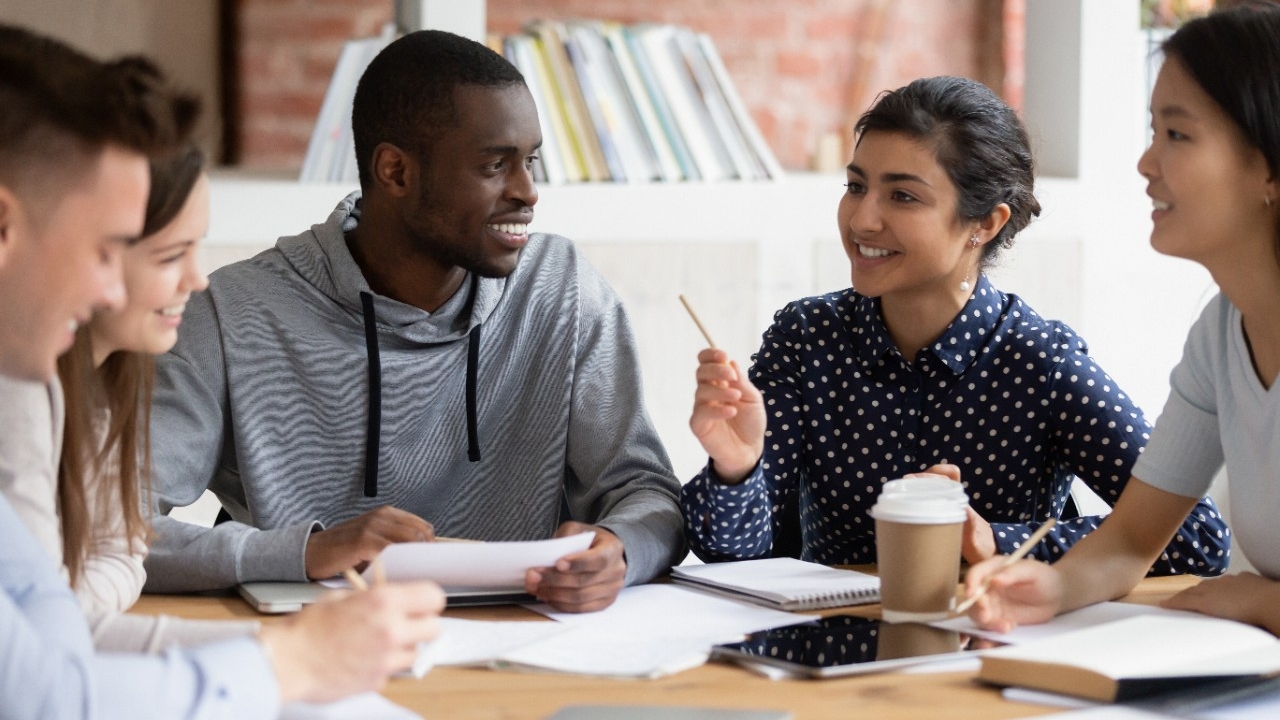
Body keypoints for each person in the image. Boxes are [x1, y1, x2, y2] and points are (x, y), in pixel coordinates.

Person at [142, 29, 685, 613]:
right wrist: (304, 552)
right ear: (396, 172)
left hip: (529, 645)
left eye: (530, 161)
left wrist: (619, 550)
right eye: (495, 165)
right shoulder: (232, 312)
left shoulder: (563, 290)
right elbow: (111, 528)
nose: (528, 191)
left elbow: (646, 493)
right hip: (324, 653)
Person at [0, 24, 442, 719]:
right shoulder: (23, 390)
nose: (112, 291)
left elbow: (54, 635)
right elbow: (44, 693)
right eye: (106, 248)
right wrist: (284, 661)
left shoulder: (41, 384)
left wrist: (292, 657)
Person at [681, 75, 1228, 575]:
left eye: (902, 196)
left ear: (985, 223)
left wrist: (1001, 541)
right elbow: (732, 554)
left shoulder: (1041, 361)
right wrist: (735, 468)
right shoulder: (807, 338)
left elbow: (1199, 538)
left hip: (985, 652)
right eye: (855, 187)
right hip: (825, 657)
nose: (862, 219)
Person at [967, 5, 1280, 635]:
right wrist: (1049, 586)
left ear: (1269, 166)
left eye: (1178, 135)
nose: (1146, 162)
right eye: (1153, 130)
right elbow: (1133, 537)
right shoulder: (1222, 333)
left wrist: (1260, 602)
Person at [1, 142, 264, 651]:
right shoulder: (22, 396)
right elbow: (41, 633)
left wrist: (70, 604)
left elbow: (122, 556)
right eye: (170, 254)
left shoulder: (106, 391)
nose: (199, 279)